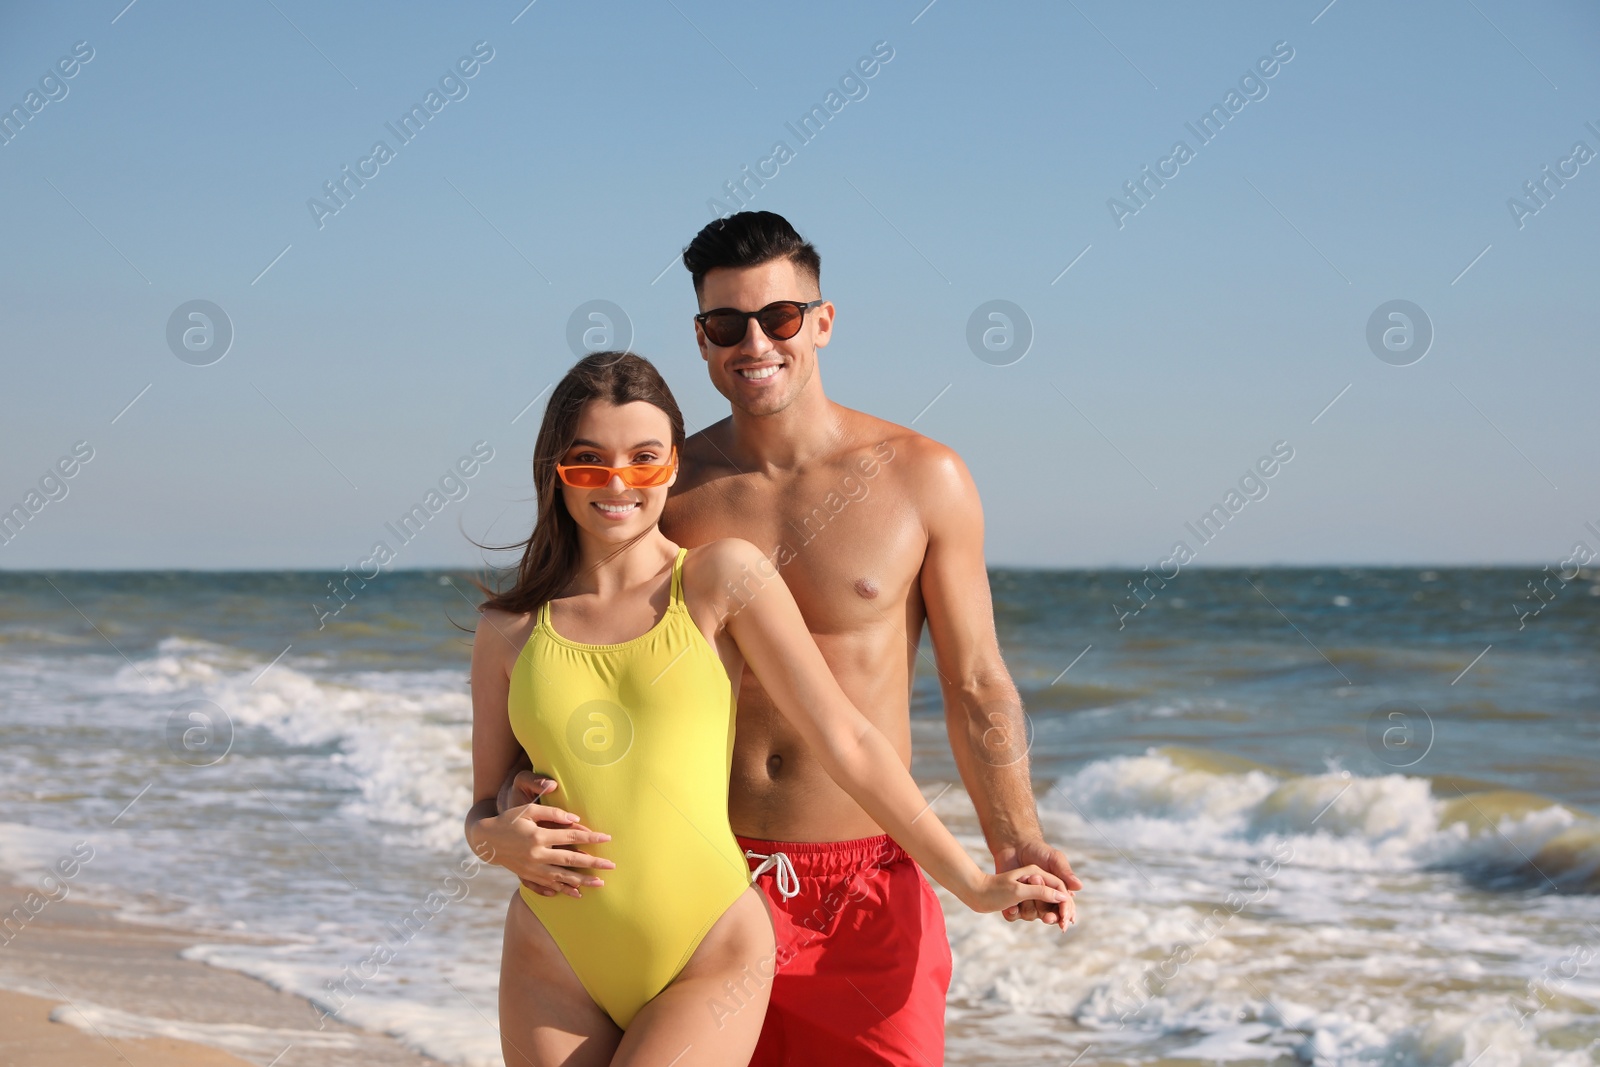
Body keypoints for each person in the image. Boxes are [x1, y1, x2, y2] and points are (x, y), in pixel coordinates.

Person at [501, 211, 1082, 1066]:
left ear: (822, 320)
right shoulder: (661, 487)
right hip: (700, 888)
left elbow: (977, 683)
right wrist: (514, 797)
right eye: (725, 324)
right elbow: (564, 655)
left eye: (778, 317)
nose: (754, 343)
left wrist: (1015, 839)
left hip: (864, 888)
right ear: (700, 340)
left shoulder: (923, 477)